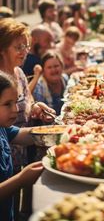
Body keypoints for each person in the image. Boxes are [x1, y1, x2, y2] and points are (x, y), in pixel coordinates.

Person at [0, 71, 43, 221]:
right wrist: (21, 179)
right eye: (7, 104)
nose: (16, 109)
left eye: (16, 101)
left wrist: (61, 130)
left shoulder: (2, 127)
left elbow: (23, 135)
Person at [33, 50, 68, 115]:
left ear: (62, 66)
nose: (53, 70)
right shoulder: (39, 88)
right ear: (43, 71)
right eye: (49, 67)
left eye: (56, 66)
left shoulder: (65, 79)